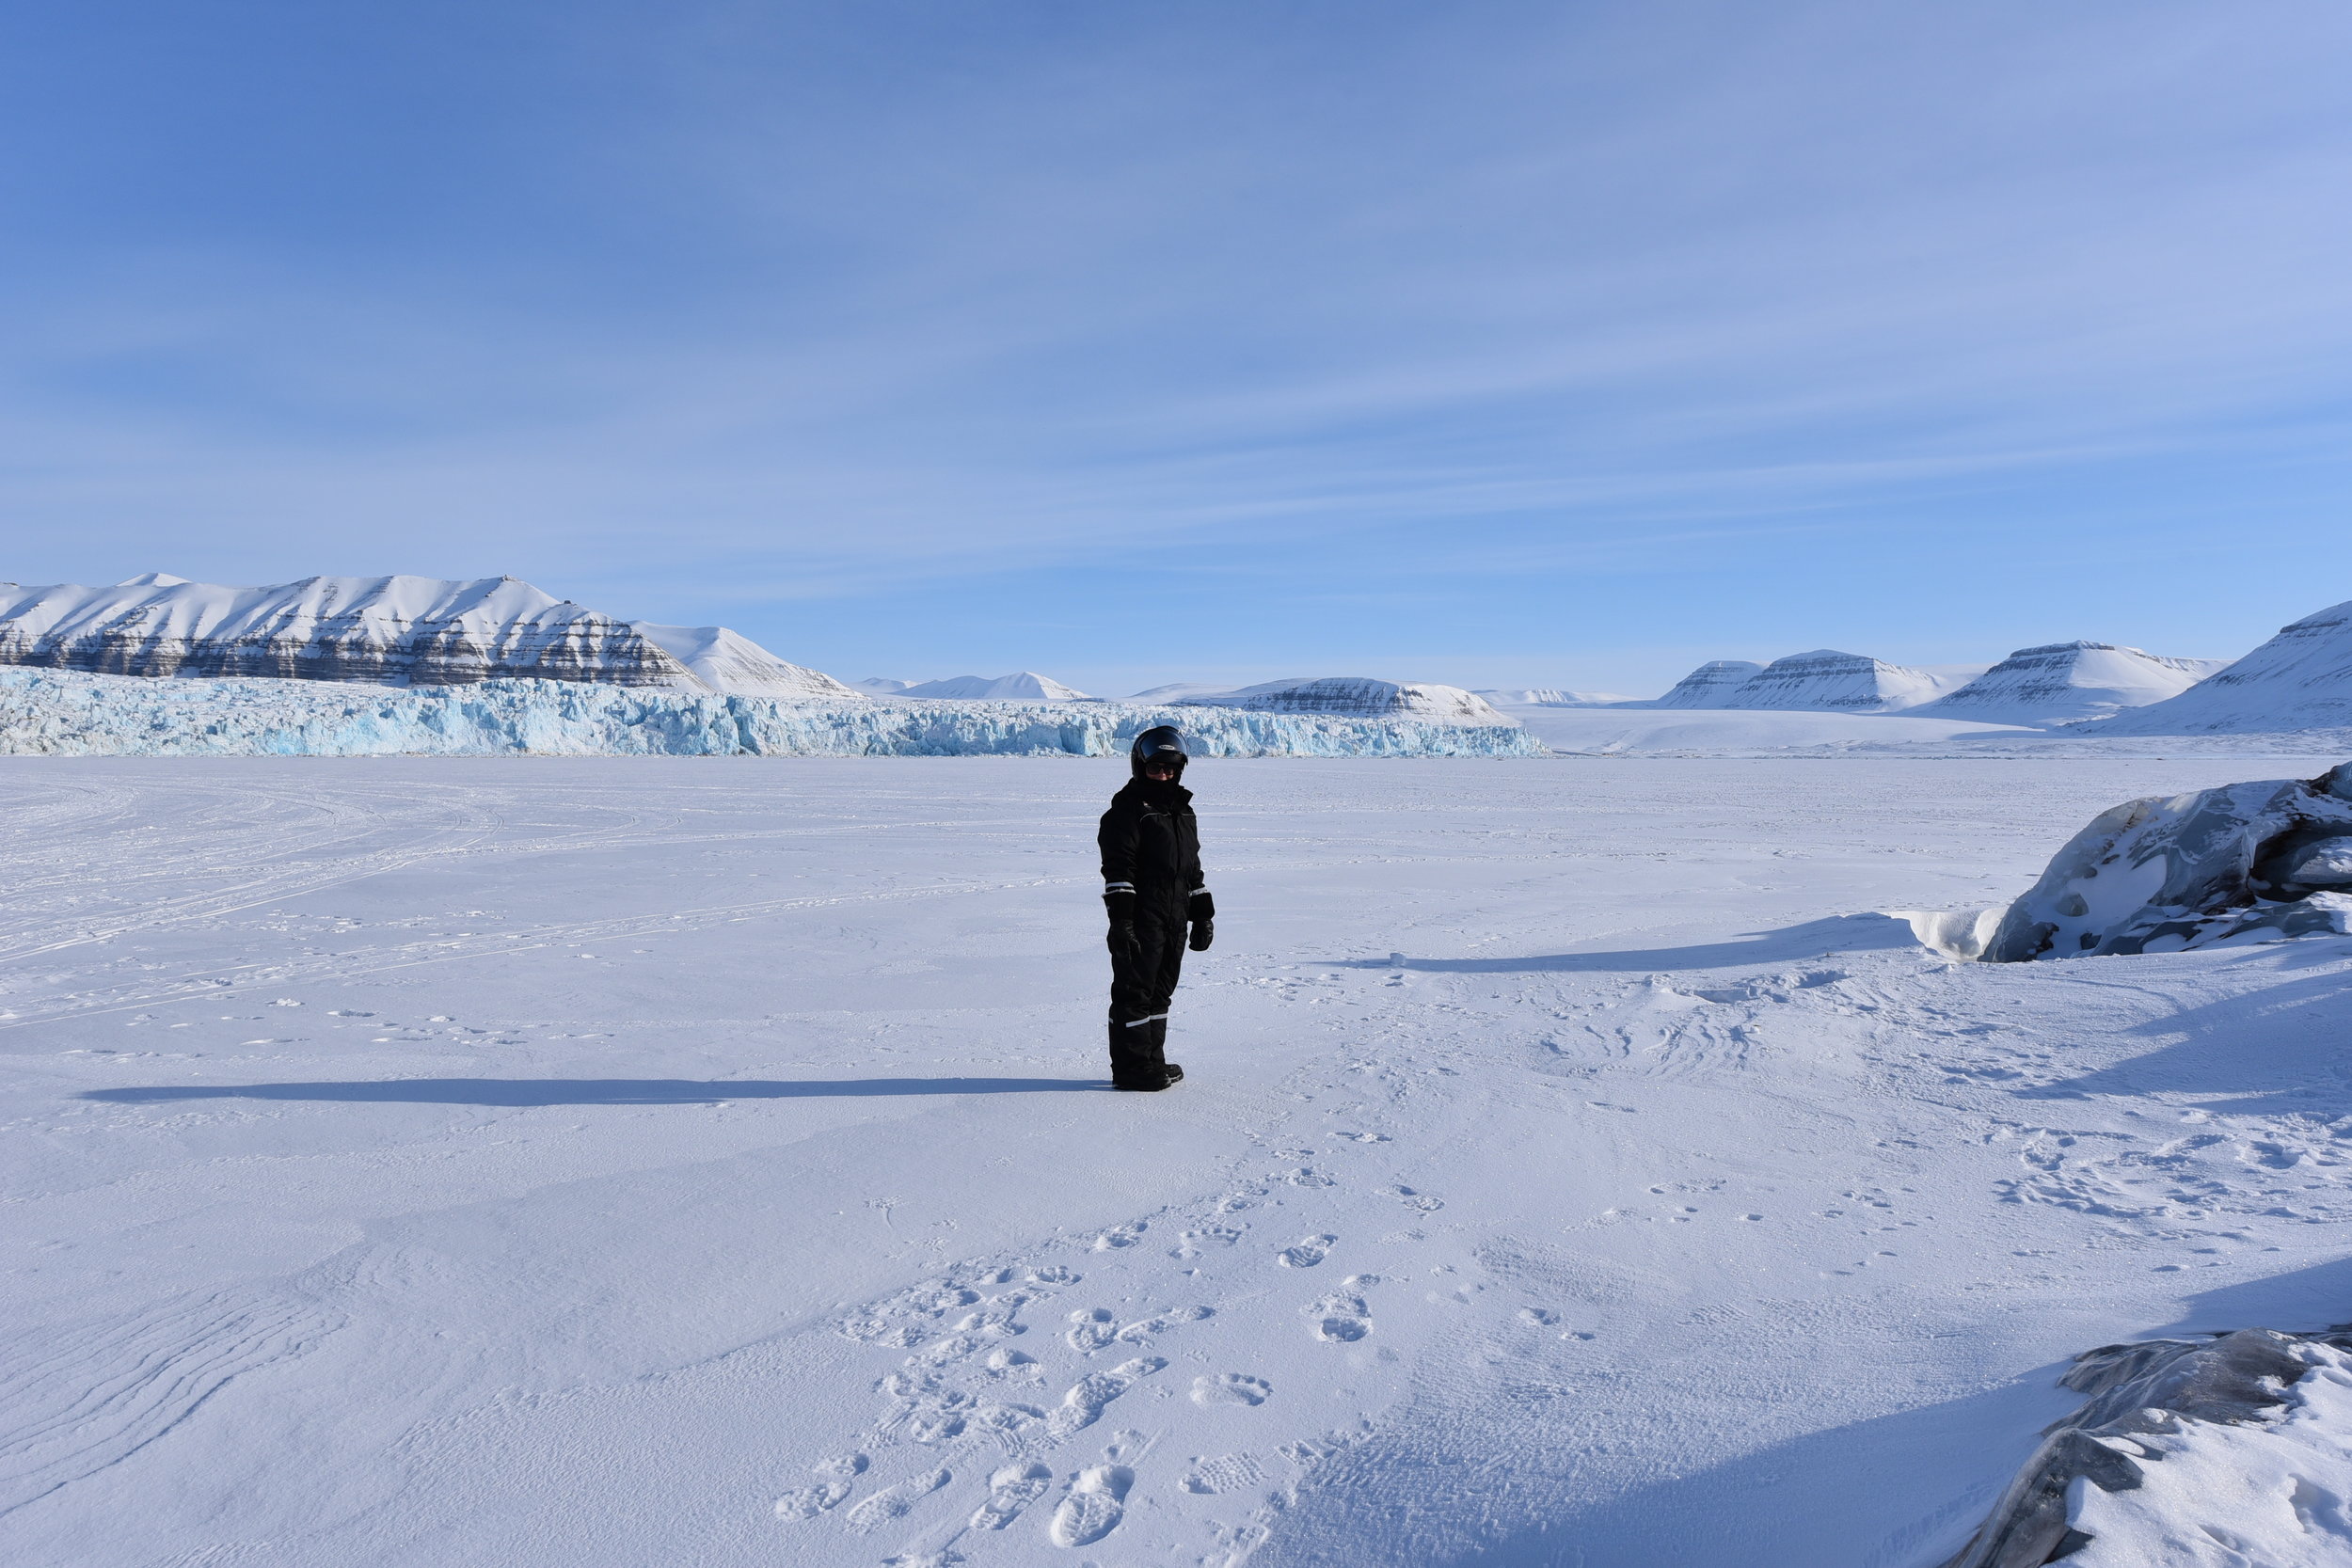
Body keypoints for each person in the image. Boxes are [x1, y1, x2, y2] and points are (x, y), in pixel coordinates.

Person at [1097, 725, 1213, 1090]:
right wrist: (1122, 922)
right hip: (1142, 918)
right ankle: (1131, 1069)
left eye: (1170, 769)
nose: (1163, 775)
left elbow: (1191, 868)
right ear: (1140, 767)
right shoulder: (1127, 811)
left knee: (1161, 992)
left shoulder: (1182, 812)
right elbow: (1119, 871)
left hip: (1174, 918)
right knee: (1135, 992)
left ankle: (1151, 1061)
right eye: (1156, 768)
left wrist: (1203, 914)